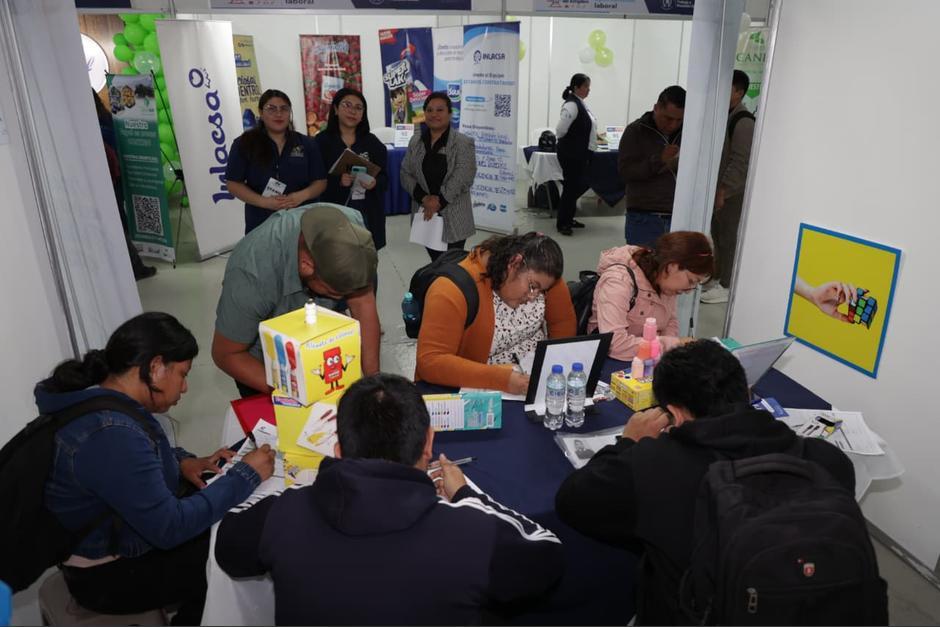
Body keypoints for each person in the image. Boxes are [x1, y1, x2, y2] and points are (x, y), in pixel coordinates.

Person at [215, 373, 563, 625]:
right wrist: (467, 495)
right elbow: (547, 557)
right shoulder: (472, 531)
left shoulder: (285, 513)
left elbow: (228, 548)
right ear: (429, 444)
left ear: (338, 450)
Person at [555, 339, 855, 625]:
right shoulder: (827, 461)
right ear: (746, 393)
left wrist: (628, 442)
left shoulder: (655, 466)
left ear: (675, 414)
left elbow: (572, 501)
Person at [37, 312, 275, 625]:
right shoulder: (110, 433)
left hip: (120, 543)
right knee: (238, 547)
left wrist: (181, 461)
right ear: (156, 367)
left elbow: (133, 462)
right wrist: (246, 475)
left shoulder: (105, 398)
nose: (185, 387)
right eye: (182, 374)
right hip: (110, 576)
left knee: (227, 513)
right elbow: (169, 528)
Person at [212, 204, 380, 397]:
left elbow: (362, 303)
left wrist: (374, 386)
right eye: (334, 292)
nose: (343, 299)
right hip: (265, 365)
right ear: (306, 265)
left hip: (319, 348)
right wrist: (298, 393)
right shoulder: (251, 274)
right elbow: (226, 354)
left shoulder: (351, 233)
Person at [415, 232, 576, 394]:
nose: (533, 297)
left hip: (530, 385)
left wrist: (553, 365)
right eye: (533, 287)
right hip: (478, 389)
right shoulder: (451, 290)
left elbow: (562, 323)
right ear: (514, 263)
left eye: (541, 291)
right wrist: (501, 380)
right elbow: (430, 362)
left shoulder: (543, 276)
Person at [588, 231, 713, 361]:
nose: (689, 291)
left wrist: (669, 351)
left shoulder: (665, 282)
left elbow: (670, 323)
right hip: (611, 360)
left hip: (645, 358)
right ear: (672, 266)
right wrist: (672, 345)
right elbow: (615, 345)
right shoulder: (619, 281)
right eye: (691, 281)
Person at [225, 89, 327, 234]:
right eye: (271, 109)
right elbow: (233, 183)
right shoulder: (244, 143)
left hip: (301, 219)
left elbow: (320, 182)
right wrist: (264, 202)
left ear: (290, 113)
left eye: (284, 109)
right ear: (261, 112)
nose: (278, 114)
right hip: (261, 220)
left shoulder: (307, 144)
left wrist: (301, 196)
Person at [400, 91, 477, 261]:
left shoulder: (463, 142)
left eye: (440, 110)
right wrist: (424, 199)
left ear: (449, 114)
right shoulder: (416, 142)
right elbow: (405, 173)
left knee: (450, 265)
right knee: (435, 262)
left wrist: (438, 202)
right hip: (426, 214)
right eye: (429, 110)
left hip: (454, 216)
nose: (434, 114)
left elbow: (464, 176)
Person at [701, 70, 756, 305]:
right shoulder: (723, 115)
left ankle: (727, 285)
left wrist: (724, 190)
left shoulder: (743, 121)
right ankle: (716, 276)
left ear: (739, 92)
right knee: (717, 235)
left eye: (728, 88)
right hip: (718, 190)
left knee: (729, 237)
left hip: (733, 193)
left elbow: (740, 162)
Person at [93, 90, 156, 281]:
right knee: (119, 223)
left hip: (107, 180)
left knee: (115, 224)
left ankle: (131, 266)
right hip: (112, 179)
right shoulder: (106, 120)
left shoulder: (97, 124)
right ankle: (134, 266)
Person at [315, 88, 388, 252]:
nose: (352, 111)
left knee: (366, 260)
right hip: (334, 211)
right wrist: (338, 181)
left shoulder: (373, 143)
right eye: (347, 105)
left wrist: (375, 182)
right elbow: (315, 179)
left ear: (363, 114)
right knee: (336, 259)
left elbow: (385, 179)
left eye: (358, 107)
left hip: (366, 211)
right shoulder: (321, 142)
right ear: (335, 109)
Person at [618, 85, 686, 246]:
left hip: (680, 215)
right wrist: (659, 159)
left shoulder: (689, 133)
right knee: (643, 262)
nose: (673, 125)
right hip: (644, 217)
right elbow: (626, 172)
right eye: (668, 118)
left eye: (679, 120)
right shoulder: (635, 131)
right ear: (656, 108)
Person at [555, 73, 598, 236]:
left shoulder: (580, 103)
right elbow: (560, 130)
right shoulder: (572, 105)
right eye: (586, 86)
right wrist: (574, 142)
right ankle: (563, 223)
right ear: (576, 87)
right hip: (571, 154)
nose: (588, 90)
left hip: (580, 153)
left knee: (575, 187)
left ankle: (569, 217)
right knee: (570, 188)